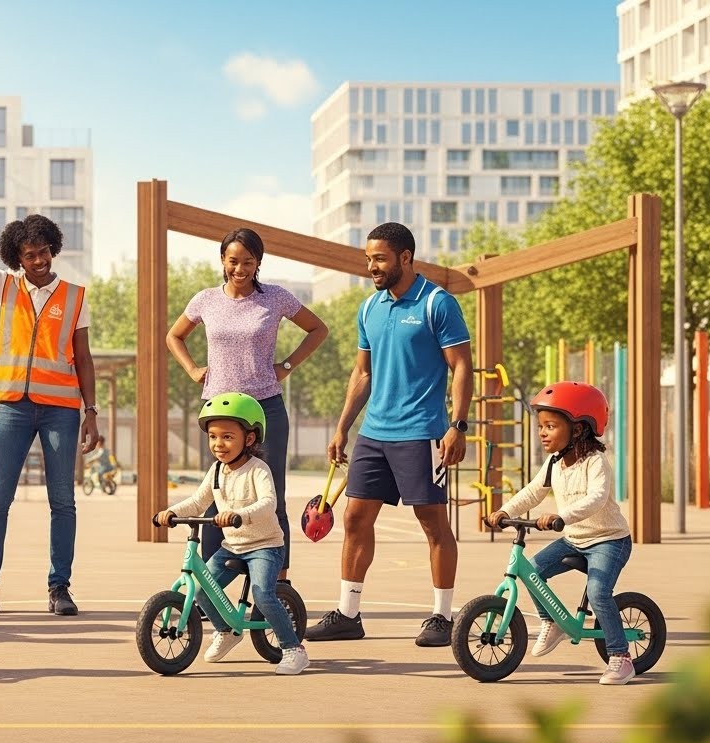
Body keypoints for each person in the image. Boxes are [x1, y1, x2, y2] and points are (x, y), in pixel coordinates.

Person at [308, 222, 473, 647]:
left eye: (379, 259)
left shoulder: (439, 303)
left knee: (433, 522)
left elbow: (461, 367)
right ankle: (348, 614)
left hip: (423, 433)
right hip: (374, 433)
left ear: (405, 257)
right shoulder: (369, 308)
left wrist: (457, 425)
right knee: (354, 517)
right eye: (368, 259)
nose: (371, 267)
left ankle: (441, 616)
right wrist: (343, 426)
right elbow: (362, 372)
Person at [0, 166, 100, 617]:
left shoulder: (75, 295)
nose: (39, 260)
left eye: (44, 251)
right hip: (13, 407)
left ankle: (60, 588)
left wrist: (91, 411)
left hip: (59, 411)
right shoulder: (4, 286)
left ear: (53, 249)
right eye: (30, 254)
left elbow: (84, 357)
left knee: (63, 501)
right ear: (17, 257)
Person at [165, 227, 328, 582]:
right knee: (215, 494)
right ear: (223, 261)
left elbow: (318, 329)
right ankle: (210, 583)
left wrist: (286, 366)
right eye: (233, 261)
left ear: (258, 263)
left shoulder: (276, 298)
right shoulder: (206, 299)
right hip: (220, 410)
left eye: (248, 262)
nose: (240, 269)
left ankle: (277, 585)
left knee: (274, 496)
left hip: (265, 408)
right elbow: (174, 335)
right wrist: (193, 369)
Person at [487, 382, 636, 685]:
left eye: (551, 426)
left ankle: (621, 657)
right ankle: (551, 621)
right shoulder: (554, 462)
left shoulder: (596, 463)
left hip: (609, 539)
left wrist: (561, 516)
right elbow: (532, 492)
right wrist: (506, 512)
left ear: (578, 429)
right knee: (534, 570)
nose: (542, 432)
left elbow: (595, 498)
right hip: (575, 539)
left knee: (598, 593)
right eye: (541, 426)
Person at [153, 393, 309, 674]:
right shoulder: (216, 471)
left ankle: (293, 648)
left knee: (262, 594)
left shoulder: (258, 470)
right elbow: (198, 501)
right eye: (213, 437)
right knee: (200, 590)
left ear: (249, 439)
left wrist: (240, 515)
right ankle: (226, 631)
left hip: (264, 545)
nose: (218, 444)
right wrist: (171, 512)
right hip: (234, 546)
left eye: (227, 437)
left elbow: (268, 503)